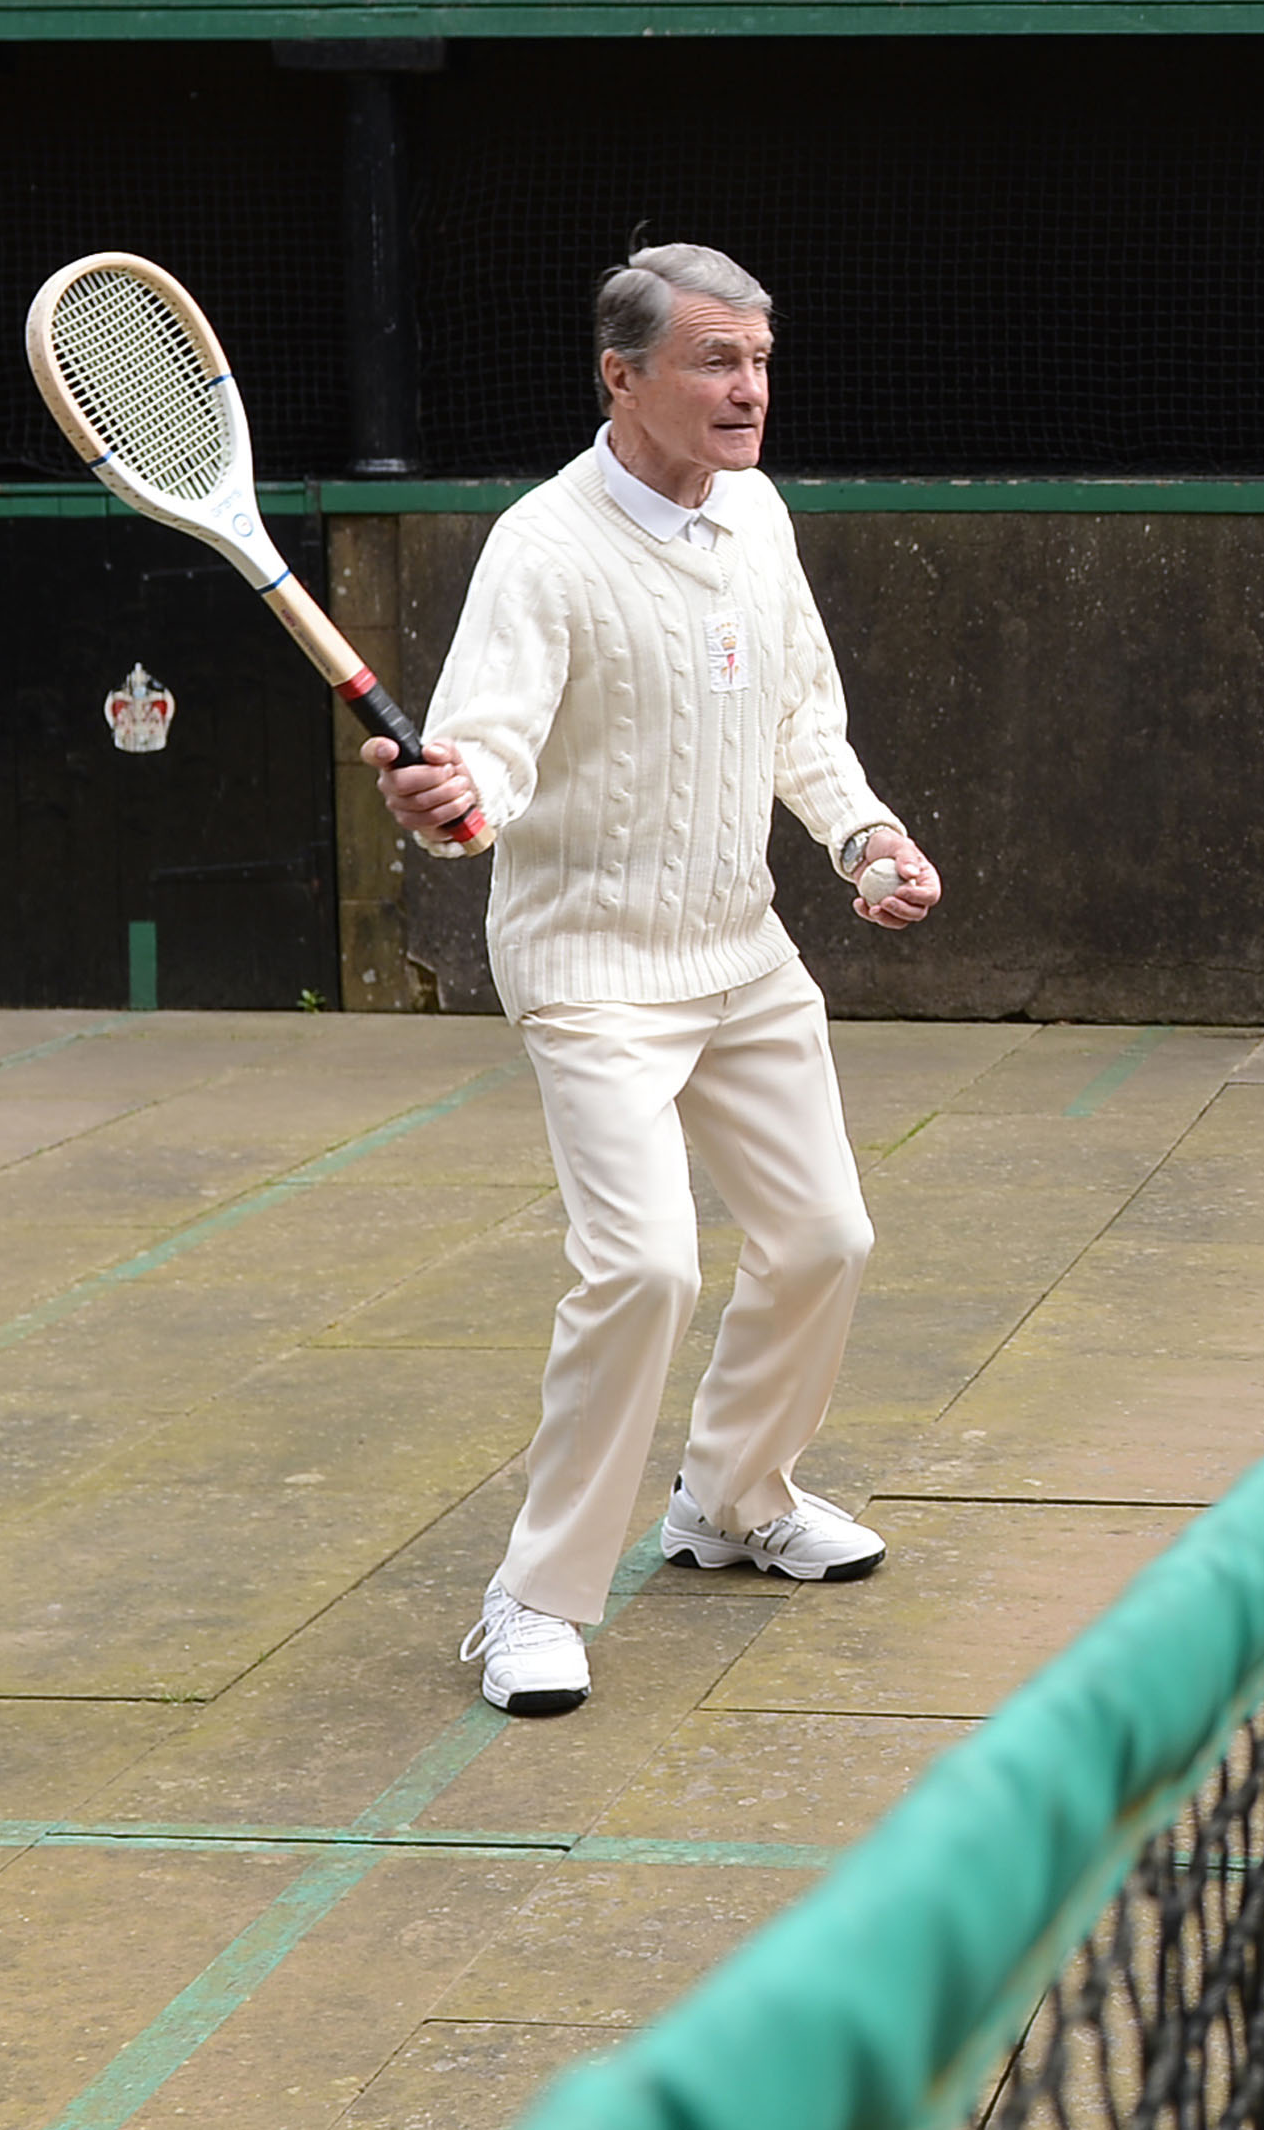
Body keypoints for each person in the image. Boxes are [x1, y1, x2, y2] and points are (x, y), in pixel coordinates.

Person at [370, 242, 944, 1719]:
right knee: (644, 1269)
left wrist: (865, 836)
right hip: (592, 970)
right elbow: (487, 745)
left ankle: (734, 1501)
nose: (746, 389)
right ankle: (532, 1604)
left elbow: (801, 716)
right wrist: (455, 798)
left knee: (826, 1238)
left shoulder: (754, 513)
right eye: (712, 361)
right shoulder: (542, 549)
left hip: (741, 952)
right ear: (621, 377)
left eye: (757, 360)